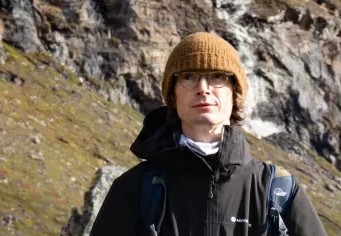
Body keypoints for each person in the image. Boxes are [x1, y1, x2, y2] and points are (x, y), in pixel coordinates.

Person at [90, 32, 327, 236]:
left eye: (217, 76)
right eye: (188, 77)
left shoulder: (279, 191)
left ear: (235, 94)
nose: (203, 88)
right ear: (172, 96)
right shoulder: (134, 189)